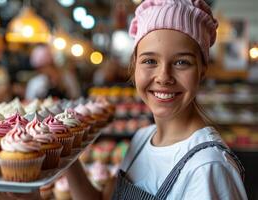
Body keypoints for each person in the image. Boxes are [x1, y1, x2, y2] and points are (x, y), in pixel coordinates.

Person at [65, 0, 248, 200]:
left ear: (202, 70)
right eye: (150, 61)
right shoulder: (142, 138)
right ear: (134, 66)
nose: (163, 77)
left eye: (181, 62)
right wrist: (66, 156)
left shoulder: (208, 168)